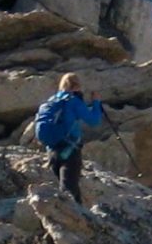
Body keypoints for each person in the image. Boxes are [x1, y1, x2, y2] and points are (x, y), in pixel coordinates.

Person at [33, 73, 110, 206]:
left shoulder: (52, 101)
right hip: (69, 149)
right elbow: (94, 120)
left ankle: (76, 212)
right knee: (70, 188)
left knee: (64, 186)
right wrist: (96, 102)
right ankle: (73, 214)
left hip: (52, 150)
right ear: (77, 86)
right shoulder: (73, 101)